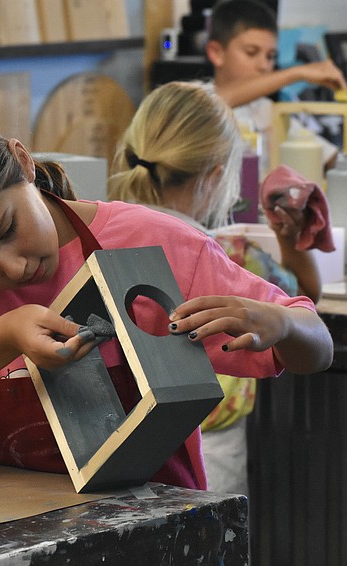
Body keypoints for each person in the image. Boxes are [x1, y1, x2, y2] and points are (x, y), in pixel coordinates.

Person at [0, 110, 333, 491]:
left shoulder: (150, 241)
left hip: (157, 530)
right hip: (12, 533)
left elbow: (317, 347)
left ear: (23, 162)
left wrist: (284, 324)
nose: (10, 268)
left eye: (7, 230)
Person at [107, 81, 321, 494]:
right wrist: (293, 237)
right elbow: (302, 298)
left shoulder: (98, 231)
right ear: (217, 175)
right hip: (208, 449)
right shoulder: (226, 257)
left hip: (109, 446)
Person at [204, 0, 347, 171]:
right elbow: (214, 103)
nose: (264, 65)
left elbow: (329, 158)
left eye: (270, 56)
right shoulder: (196, 101)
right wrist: (297, 73)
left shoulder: (268, 111)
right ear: (216, 53)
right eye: (252, 52)